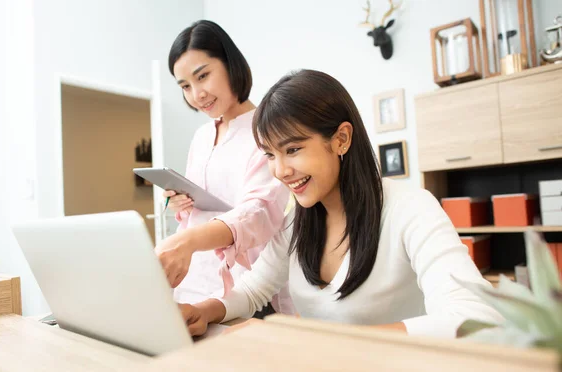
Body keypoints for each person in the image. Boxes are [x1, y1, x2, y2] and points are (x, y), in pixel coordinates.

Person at [178, 69, 503, 337]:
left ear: (342, 139)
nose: (280, 171)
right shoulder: (297, 222)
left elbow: (473, 317)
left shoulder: (410, 208)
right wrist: (205, 310)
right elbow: (253, 290)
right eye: (269, 154)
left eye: (292, 150)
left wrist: (316, 339)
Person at [155, 20, 293, 316]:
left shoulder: (267, 130)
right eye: (186, 87)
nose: (197, 94)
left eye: (202, 76)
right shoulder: (202, 137)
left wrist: (187, 241)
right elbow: (197, 212)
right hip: (192, 287)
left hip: (246, 291)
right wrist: (181, 203)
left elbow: (257, 214)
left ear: (230, 65)